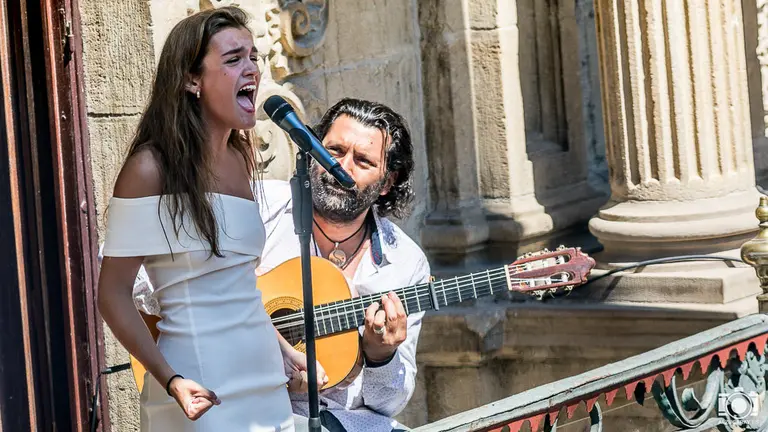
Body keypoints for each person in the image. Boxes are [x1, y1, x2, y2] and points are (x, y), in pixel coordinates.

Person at [96, 7, 296, 431]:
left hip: (265, 377)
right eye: (233, 59)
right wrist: (170, 379)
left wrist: (283, 349)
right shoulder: (150, 169)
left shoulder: (242, 158)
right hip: (199, 383)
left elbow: (233, 285)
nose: (252, 70)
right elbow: (112, 295)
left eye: (254, 57)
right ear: (191, 80)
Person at [257, 98, 430, 432]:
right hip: (245, 408)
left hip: (345, 423)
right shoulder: (261, 209)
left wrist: (382, 356)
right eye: (334, 150)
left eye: (363, 160)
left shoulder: (406, 263)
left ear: (388, 182)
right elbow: (159, 276)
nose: (343, 167)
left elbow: (388, 405)